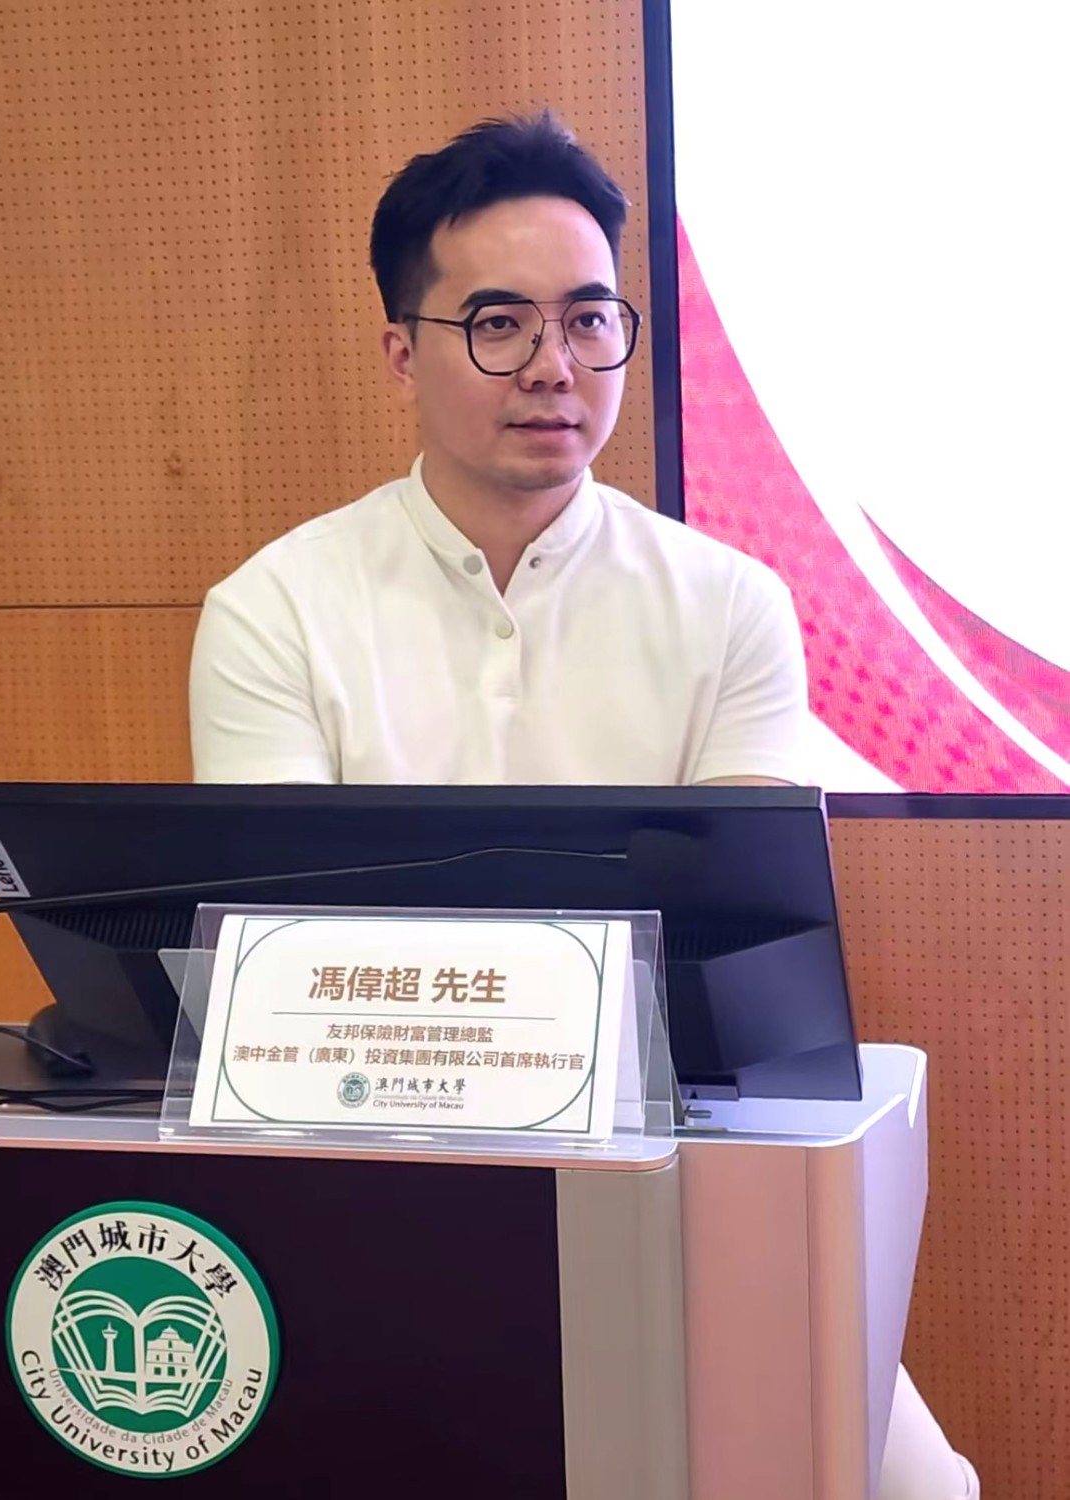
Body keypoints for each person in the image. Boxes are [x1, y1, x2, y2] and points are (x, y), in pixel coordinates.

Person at [188, 113, 978, 1499]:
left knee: (916, 1485)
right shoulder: (275, 610)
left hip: (676, 1164)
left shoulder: (729, 604)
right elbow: (286, 972)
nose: (554, 366)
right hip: (377, 1173)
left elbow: (728, 947)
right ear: (402, 350)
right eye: (498, 323)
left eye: (589, 319)